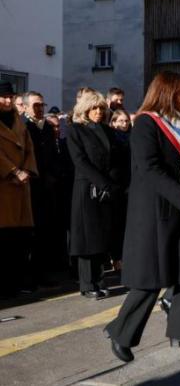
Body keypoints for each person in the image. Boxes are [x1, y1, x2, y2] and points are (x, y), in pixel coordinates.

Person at [104, 72, 180, 363]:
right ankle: (121, 332)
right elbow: (149, 169)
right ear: (165, 93)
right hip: (155, 210)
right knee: (151, 277)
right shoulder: (146, 123)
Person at [67, 90, 124, 299]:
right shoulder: (75, 130)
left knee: (102, 237)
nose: (99, 111)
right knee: (87, 239)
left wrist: (112, 184)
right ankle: (87, 283)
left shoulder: (107, 131)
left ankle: (100, 280)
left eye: (101, 108)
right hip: (86, 189)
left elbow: (115, 159)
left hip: (106, 190)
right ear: (85, 109)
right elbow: (80, 161)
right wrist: (103, 183)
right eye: (94, 108)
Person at [0, 81, 38, 298]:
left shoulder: (17, 120)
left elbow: (29, 147)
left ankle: (16, 282)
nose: (7, 101)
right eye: (3, 97)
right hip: (5, 185)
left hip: (21, 185)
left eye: (10, 97)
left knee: (19, 239)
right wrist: (14, 171)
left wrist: (28, 171)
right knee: (3, 240)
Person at [23, 91, 64, 285]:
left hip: (48, 185)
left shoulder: (47, 127)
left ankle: (43, 272)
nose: (39, 108)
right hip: (29, 184)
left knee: (46, 230)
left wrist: (53, 175)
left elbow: (54, 154)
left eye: (42, 105)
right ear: (25, 107)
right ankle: (29, 275)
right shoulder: (23, 126)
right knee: (30, 233)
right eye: (35, 105)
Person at [108, 109, 132, 271]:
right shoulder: (111, 138)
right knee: (116, 224)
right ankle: (116, 258)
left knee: (126, 223)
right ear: (114, 122)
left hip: (129, 183)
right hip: (116, 183)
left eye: (126, 121)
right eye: (121, 121)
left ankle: (125, 256)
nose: (124, 124)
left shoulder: (132, 137)